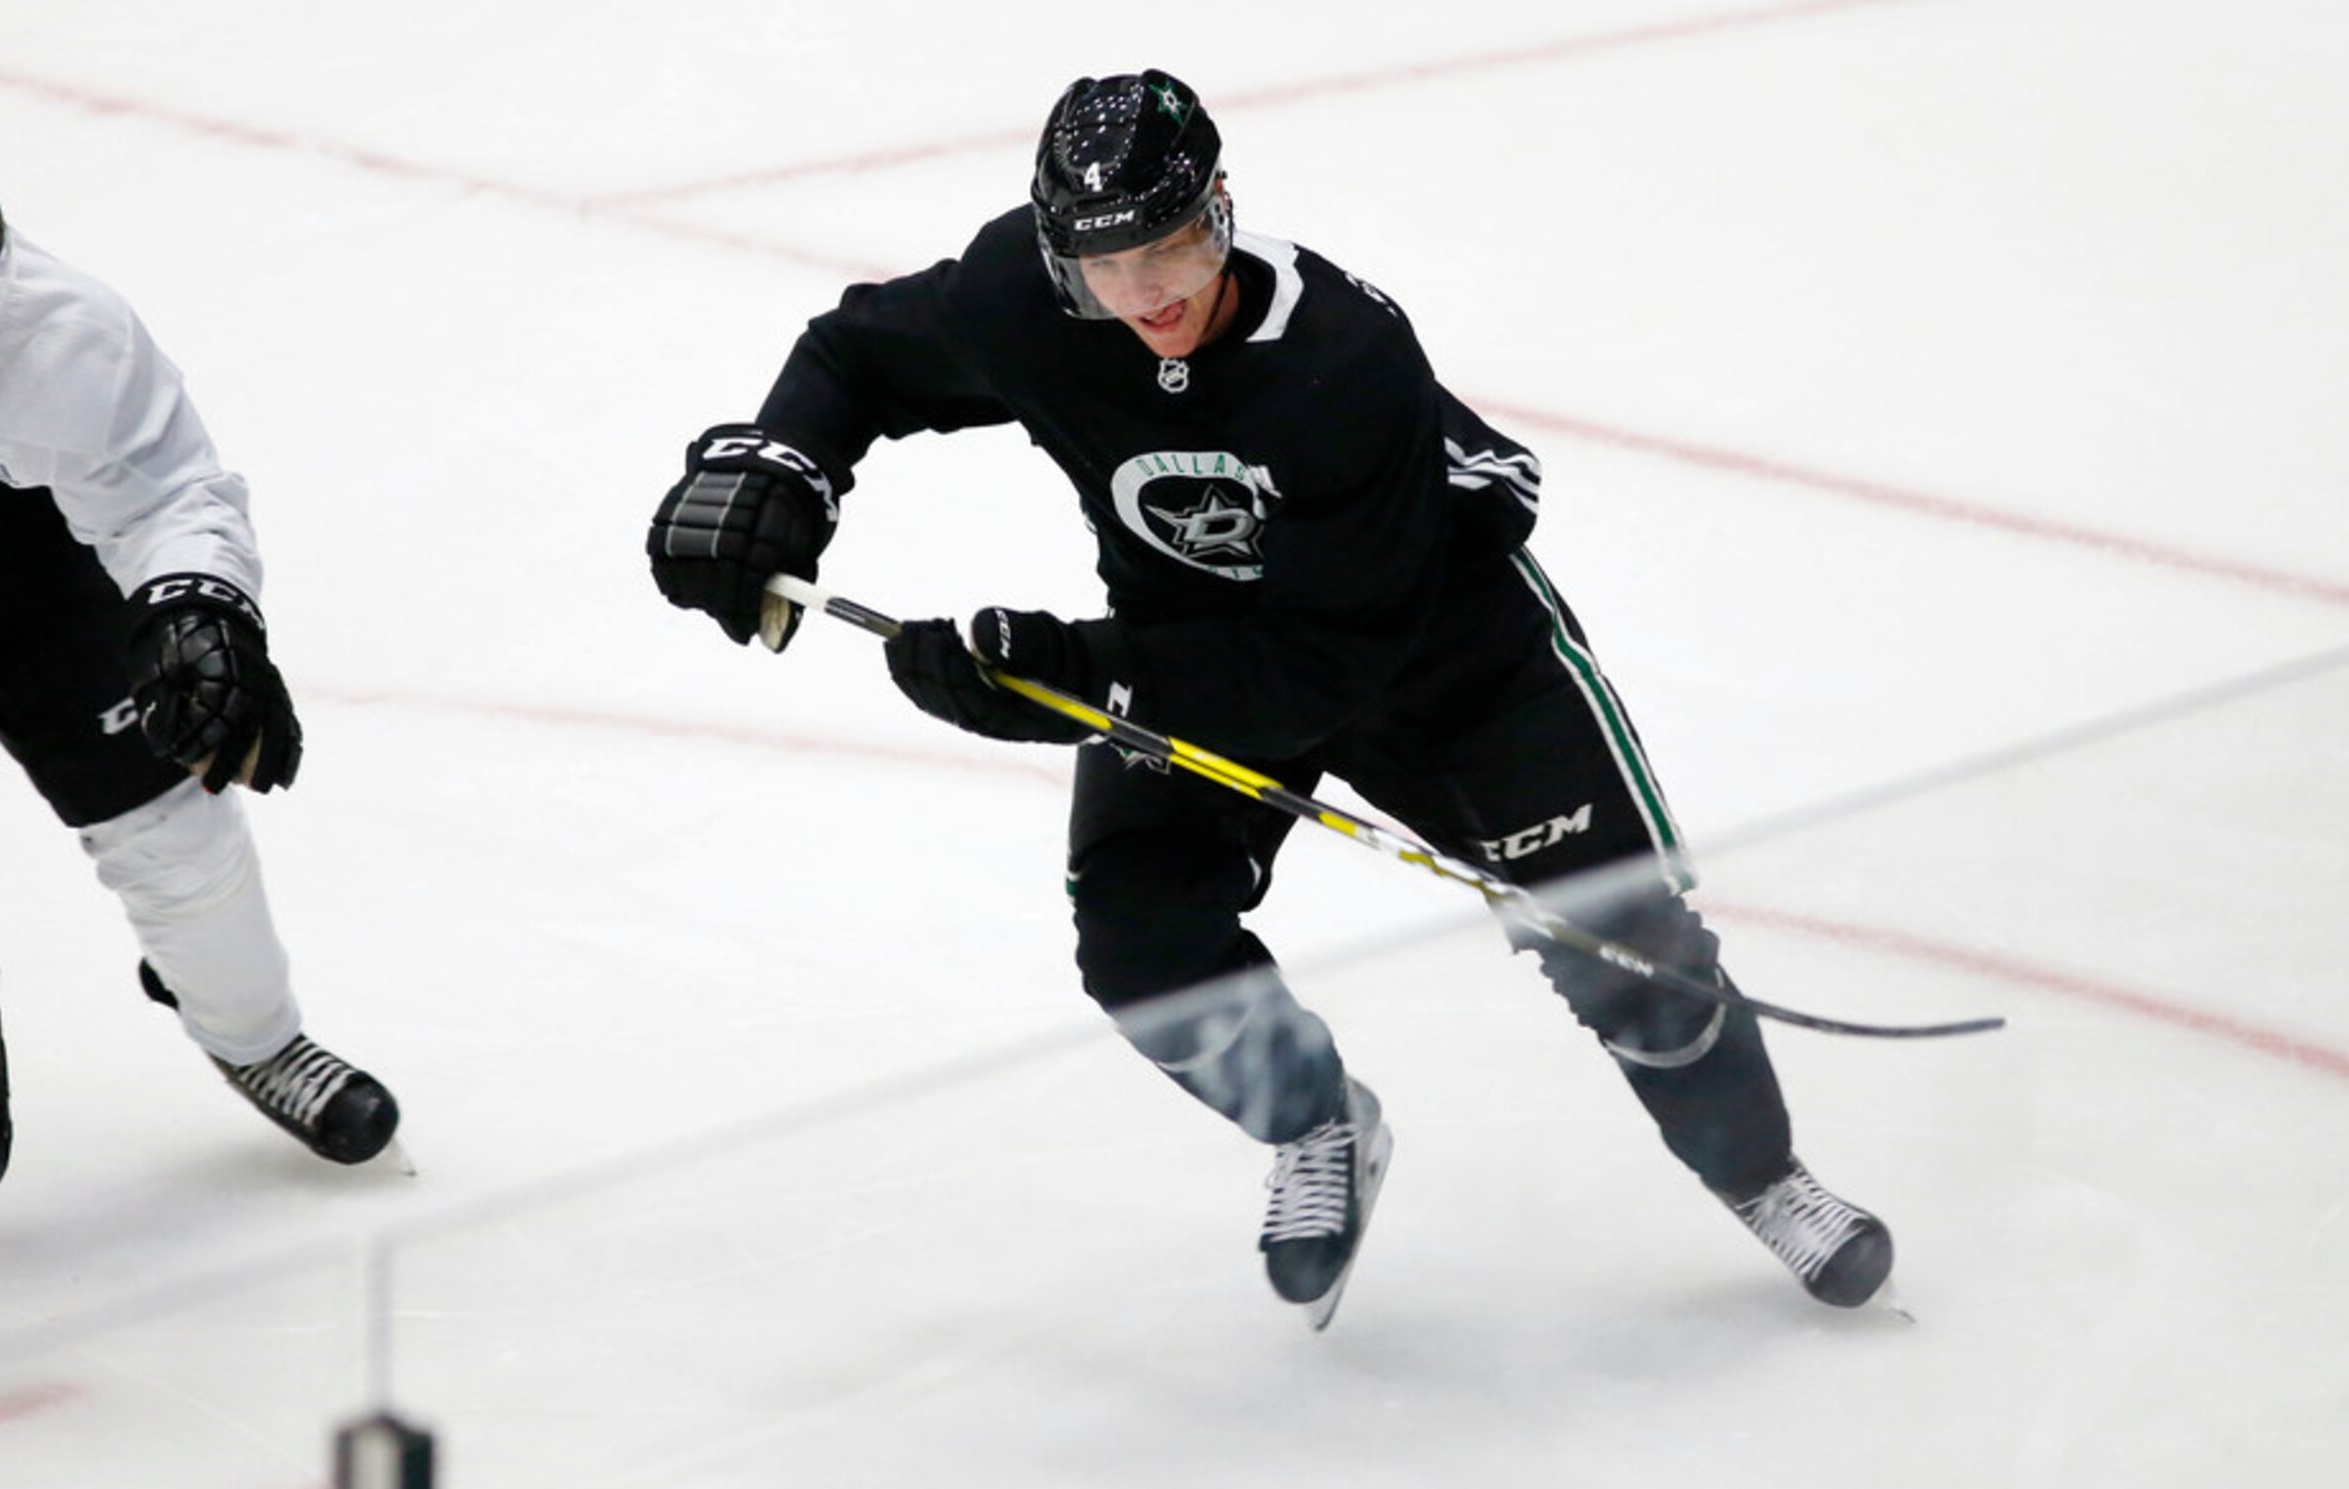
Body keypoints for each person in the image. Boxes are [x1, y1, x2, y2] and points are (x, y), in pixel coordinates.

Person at [647, 72, 1891, 1327]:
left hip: (1446, 664)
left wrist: (1071, 679)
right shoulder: (1022, 298)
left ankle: (1763, 1178)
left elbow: (1318, 666)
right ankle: (1318, 1125)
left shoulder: (1342, 362)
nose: (1149, 294)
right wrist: (781, 471)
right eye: (1105, 266)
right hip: (1196, 643)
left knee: (1627, 940)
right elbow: (854, 357)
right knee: (1144, 948)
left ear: (1223, 211)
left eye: (1174, 246)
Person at [0, 113, 399, 1226]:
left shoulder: (60, 330)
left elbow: (167, 489)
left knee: (170, 797)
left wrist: (202, 606)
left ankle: (257, 1036)